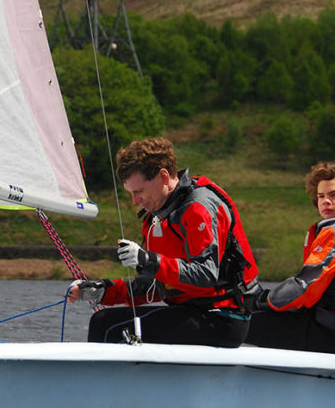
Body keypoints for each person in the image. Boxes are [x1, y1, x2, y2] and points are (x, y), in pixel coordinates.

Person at [68, 137, 259, 347]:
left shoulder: (197, 208)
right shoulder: (158, 215)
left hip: (222, 318)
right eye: (131, 193)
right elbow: (153, 286)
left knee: (105, 325)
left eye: (139, 191)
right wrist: (104, 291)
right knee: (106, 320)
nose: (135, 201)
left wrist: (148, 260)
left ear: (163, 176)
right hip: (191, 313)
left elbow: (206, 274)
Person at [245, 157, 335, 357]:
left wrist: (262, 299)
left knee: (238, 323)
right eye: (321, 196)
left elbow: (307, 285)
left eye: (334, 195)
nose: (325, 201)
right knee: (259, 317)